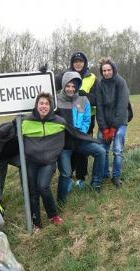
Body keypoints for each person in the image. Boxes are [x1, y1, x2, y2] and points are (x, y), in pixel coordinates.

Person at [56, 72, 106, 203]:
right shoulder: (55, 101)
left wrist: (80, 133)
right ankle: (61, 201)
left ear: (77, 86)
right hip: (64, 143)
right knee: (66, 173)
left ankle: (96, 183)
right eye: (68, 86)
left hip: (79, 140)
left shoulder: (84, 100)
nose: (71, 89)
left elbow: (86, 121)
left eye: (74, 86)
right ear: (63, 85)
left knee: (101, 151)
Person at [21, 92, 66, 231]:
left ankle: (53, 215)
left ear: (51, 106)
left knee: (43, 187)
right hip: (31, 162)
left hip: (48, 162)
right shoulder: (26, 121)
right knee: (32, 191)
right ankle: (36, 222)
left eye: (47, 104)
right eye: (41, 103)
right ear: (37, 105)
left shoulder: (59, 122)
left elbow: (72, 135)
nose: (44, 106)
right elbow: (12, 135)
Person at [56, 51, 98, 188]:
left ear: (85, 63)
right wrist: (43, 73)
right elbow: (52, 83)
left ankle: (81, 177)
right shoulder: (65, 75)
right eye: (75, 61)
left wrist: (85, 96)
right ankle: (69, 175)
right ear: (72, 63)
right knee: (69, 149)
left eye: (80, 61)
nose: (78, 64)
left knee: (81, 151)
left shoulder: (92, 78)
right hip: (68, 119)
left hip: (86, 118)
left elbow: (97, 99)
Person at [96, 57, 130, 188]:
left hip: (119, 123)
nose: (106, 73)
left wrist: (114, 128)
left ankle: (116, 177)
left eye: (109, 70)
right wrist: (104, 128)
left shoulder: (121, 82)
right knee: (102, 150)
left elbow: (122, 106)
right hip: (105, 123)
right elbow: (99, 107)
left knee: (117, 150)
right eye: (104, 70)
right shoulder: (100, 84)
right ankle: (104, 174)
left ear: (113, 69)